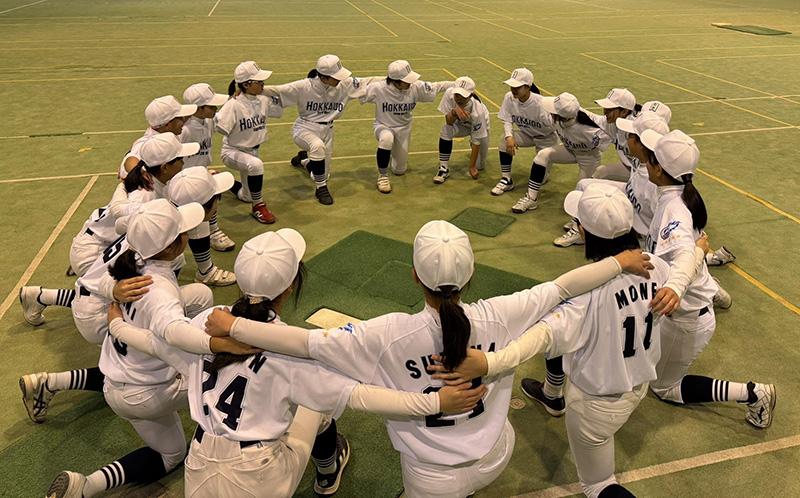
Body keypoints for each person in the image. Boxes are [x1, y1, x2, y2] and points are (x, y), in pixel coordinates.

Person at [205, 220, 654, 498]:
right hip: (496, 454)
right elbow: (561, 286)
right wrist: (621, 261)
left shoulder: (384, 333)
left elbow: (304, 344)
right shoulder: (501, 314)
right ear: (472, 274)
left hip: (431, 478)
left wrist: (235, 327)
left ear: (415, 275)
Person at [105, 228, 487, 497]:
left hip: (199, 469)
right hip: (257, 479)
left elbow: (155, 343)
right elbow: (364, 397)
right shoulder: (292, 354)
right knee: (318, 407)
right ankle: (327, 472)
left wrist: (117, 324)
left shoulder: (203, 323)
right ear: (289, 286)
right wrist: (436, 402)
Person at [432, 184, 673, 498]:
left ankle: (553, 394)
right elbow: (684, 273)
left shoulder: (582, 299)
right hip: (638, 387)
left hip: (596, 407)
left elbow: (536, 338)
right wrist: (697, 251)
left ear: (584, 233)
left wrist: (491, 362)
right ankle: (551, 392)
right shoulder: (658, 265)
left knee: (598, 484)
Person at [19, 165, 234, 425]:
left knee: (198, 296)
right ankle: (51, 382)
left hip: (93, 298)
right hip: (98, 312)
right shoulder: (164, 249)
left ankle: (41, 296)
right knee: (136, 361)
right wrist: (204, 347)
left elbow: (116, 225)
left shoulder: (151, 221)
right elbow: (153, 307)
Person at [637, 129, 775, 428]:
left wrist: (677, 282)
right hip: (687, 308)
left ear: (660, 169)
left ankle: (753, 394)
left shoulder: (673, 207)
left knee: (664, 387)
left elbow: (686, 255)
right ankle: (713, 291)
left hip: (685, 317)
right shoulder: (678, 195)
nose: (645, 165)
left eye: (649, 161)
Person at [260, 54, 381, 204]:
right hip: (304, 128)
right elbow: (277, 90)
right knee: (317, 147)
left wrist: (395, 80)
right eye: (335, 76)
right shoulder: (304, 86)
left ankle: (304, 160)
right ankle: (321, 189)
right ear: (323, 77)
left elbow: (368, 81)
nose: (339, 79)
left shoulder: (344, 85)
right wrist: (243, 90)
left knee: (321, 173)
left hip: (328, 131)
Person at [553, 110, 668, 248]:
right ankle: (580, 228)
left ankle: (596, 232)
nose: (626, 139)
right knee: (585, 185)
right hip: (631, 197)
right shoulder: (641, 161)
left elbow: (660, 222)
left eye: (630, 135)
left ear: (642, 144)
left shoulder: (656, 181)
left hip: (642, 238)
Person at [360, 60, 454, 193]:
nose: (409, 82)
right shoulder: (378, 88)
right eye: (406, 80)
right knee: (387, 139)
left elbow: (437, 86)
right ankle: (382, 176)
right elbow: (352, 89)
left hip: (404, 128)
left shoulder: (415, 87)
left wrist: (458, 85)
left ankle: (391, 154)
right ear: (394, 81)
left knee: (399, 171)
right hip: (383, 126)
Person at [511, 92, 612, 214]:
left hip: (588, 156)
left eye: (553, 111)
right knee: (543, 155)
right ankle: (531, 198)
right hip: (569, 150)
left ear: (564, 117)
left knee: (581, 189)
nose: (549, 112)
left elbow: (611, 135)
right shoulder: (562, 116)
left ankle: (578, 219)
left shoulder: (591, 128)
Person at [216, 61, 283, 223]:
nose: (263, 84)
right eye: (259, 82)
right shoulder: (234, 105)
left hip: (253, 151)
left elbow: (279, 110)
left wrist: (265, 91)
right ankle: (258, 206)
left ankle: (219, 179)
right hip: (233, 151)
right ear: (246, 84)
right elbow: (218, 127)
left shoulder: (263, 99)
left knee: (246, 195)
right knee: (256, 165)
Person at [182, 82, 236, 252]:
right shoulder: (184, 130)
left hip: (201, 171)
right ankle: (208, 234)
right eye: (211, 105)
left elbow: (222, 116)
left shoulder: (208, 120)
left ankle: (212, 230)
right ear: (198, 108)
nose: (215, 108)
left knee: (212, 194)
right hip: (185, 179)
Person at [491, 67, 557, 196]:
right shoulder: (509, 97)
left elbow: (558, 126)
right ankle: (506, 179)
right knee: (504, 139)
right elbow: (507, 119)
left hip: (546, 138)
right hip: (527, 134)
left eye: (518, 87)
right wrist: (509, 137)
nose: (513, 89)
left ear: (528, 87)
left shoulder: (541, 104)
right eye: (512, 86)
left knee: (540, 180)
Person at [119, 95, 196, 178]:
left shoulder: (169, 133)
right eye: (180, 118)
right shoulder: (148, 143)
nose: (183, 120)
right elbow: (130, 161)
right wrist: (140, 175)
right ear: (167, 124)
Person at [434, 76, 491, 184]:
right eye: (457, 95)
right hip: (462, 125)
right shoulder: (449, 94)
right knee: (446, 130)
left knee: (480, 166)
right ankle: (443, 168)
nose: (459, 99)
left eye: (463, 97)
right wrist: (455, 112)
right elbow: (449, 122)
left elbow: (477, 141)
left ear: (471, 95)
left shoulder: (478, 111)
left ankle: (473, 150)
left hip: (480, 127)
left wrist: (472, 167)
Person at [586, 88, 641, 182]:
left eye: (610, 110)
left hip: (645, 174)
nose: (605, 112)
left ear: (624, 111)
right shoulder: (613, 121)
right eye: (605, 109)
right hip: (631, 168)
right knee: (600, 172)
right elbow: (593, 118)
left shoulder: (638, 128)